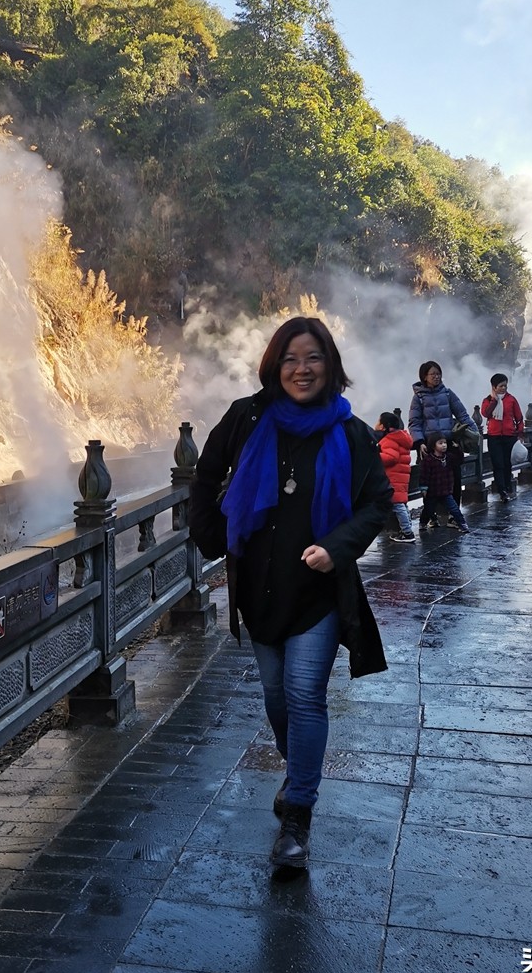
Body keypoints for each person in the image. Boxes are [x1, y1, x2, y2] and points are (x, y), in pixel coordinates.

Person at [188, 316, 391, 870]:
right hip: (259, 586)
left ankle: (298, 814)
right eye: (291, 359)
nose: (302, 370)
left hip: (319, 591)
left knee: (305, 697)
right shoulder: (247, 418)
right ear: (275, 365)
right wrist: (210, 537)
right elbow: (204, 478)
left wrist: (338, 546)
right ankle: (299, 768)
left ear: (331, 366)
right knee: (277, 699)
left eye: (314, 358)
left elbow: (378, 502)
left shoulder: (349, 431)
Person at [408, 360, 477, 515]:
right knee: (430, 481)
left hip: (449, 443)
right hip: (430, 445)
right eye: (433, 374)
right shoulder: (418, 398)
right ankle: (432, 516)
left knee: (455, 479)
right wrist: (419, 442)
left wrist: (474, 433)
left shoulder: (447, 393)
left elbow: (462, 414)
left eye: (438, 374)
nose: (436, 377)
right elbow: (414, 423)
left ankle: (454, 515)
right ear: (424, 377)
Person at [480, 373, 524, 501]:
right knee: (497, 463)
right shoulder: (488, 400)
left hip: (509, 436)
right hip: (494, 437)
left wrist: (520, 433)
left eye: (505, 385)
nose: (504, 388)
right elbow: (486, 413)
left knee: (507, 463)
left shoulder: (511, 399)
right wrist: (494, 401)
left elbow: (519, 418)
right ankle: (502, 490)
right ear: (494, 387)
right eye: (500, 386)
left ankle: (507, 486)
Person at [375, 411, 416, 542]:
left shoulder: (389, 439)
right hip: (400, 476)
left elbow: (391, 458)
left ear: (383, 426)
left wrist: (375, 455)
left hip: (393, 477)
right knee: (401, 504)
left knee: (398, 505)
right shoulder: (401, 438)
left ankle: (407, 533)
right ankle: (407, 528)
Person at [418, 433, 471, 533]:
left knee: (454, 509)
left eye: (445, 443)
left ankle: (463, 524)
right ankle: (423, 523)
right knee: (428, 509)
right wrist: (423, 488)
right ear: (433, 445)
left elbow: (460, 459)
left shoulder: (448, 457)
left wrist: (456, 448)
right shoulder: (428, 460)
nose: (444, 445)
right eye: (440, 443)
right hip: (432, 491)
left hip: (446, 491)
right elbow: (424, 475)